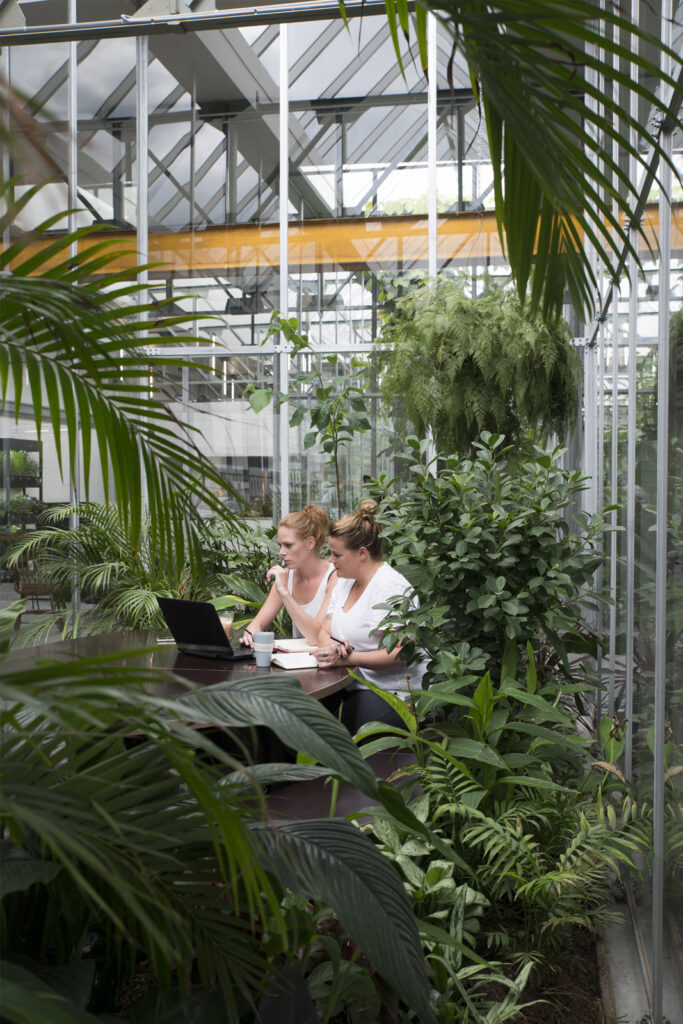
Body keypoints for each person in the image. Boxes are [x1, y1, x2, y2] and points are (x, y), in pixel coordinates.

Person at [314, 499, 426, 734]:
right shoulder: (344, 582)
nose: (330, 561)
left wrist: (350, 658)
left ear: (361, 553)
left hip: (393, 693)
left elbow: (402, 652)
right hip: (354, 685)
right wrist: (333, 648)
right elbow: (324, 629)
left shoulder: (390, 587)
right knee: (300, 714)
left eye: (337, 554)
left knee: (330, 731)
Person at [240, 504, 335, 647]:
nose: (281, 552)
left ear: (310, 543)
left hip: (331, 663)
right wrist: (250, 633)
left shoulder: (334, 576)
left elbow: (316, 638)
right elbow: (256, 625)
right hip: (296, 662)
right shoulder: (286, 576)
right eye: (280, 545)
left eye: (288, 545)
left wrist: (284, 593)